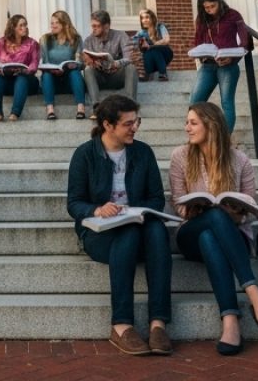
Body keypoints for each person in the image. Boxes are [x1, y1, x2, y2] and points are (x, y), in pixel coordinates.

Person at [67, 95, 172, 356]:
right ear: (108, 125)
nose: (134, 127)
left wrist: (139, 212)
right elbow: (74, 203)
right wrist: (97, 209)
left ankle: (158, 323)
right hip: (100, 234)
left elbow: (157, 198)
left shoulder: (143, 152)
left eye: (136, 121)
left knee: (157, 230)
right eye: (128, 123)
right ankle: (121, 324)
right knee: (127, 231)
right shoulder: (85, 155)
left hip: (138, 226)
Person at [170, 102, 258, 356]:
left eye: (193, 123)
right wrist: (197, 209)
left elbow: (252, 207)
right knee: (211, 220)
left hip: (231, 234)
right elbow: (178, 204)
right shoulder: (180, 157)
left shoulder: (239, 160)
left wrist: (235, 213)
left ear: (212, 125)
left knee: (212, 233)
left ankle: (230, 321)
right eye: (187, 122)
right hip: (190, 235)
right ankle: (253, 291)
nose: (187, 128)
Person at [189, 0, 250, 133]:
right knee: (195, 102)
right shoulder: (202, 19)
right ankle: (200, 136)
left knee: (227, 102)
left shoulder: (233, 15)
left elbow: (245, 41)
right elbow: (197, 42)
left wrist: (233, 58)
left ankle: (224, 139)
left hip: (228, 65)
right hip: (208, 65)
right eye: (206, 7)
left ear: (219, 1)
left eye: (213, 6)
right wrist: (200, 53)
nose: (210, 10)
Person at [82, 9, 138, 115]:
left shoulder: (121, 35)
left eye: (96, 26)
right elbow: (84, 60)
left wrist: (117, 63)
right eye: (92, 26)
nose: (93, 29)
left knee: (131, 67)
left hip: (116, 75)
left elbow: (129, 57)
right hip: (99, 76)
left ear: (106, 27)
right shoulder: (88, 40)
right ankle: (96, 106)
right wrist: (89, 62)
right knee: (88, 69)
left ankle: (130, 105)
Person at [0, 14, 40, 122]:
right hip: (7, 81)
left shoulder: (32, 43)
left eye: (25, 25)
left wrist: (26, 70)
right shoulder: (0, 43)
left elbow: (34, 63)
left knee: (21, 77)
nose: (24, 28)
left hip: (27, 82)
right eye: (21, 25)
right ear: (13, 28)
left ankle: (15, 113)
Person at [38, 9, 87, 120]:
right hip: (52, 81)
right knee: (46, 75)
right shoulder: (45, 39)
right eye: (52, 23)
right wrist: (51, 69)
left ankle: (81, 108)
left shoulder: (76, 39)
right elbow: (44, 62)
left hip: (70, 80)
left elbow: (81, 63)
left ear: (65, 24)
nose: (53, 26)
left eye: (57, 23)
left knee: (75, 73)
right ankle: (50, 110)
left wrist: (74, 65)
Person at [136, 8, 173, 81]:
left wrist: (153, 45)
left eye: (147, 17)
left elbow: (167, 40)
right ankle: (148, 74)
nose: (144, 20)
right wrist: (142, 45)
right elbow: (133, 43)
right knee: (147, 51)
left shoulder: (160, 26)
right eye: (142, 18)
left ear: (152, 18)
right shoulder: (141, 33)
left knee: (154, 49)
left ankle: (163, 73)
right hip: (151, 60)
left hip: (166, 54)